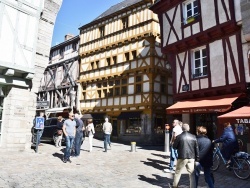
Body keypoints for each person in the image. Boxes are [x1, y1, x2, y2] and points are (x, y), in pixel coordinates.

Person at [170, 123, 199, 188]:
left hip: (182, 157)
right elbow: (196, 148)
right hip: (191, 157)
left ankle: (175, 186)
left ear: (182, 129)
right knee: (192, 174)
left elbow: (174, 147)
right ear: (188, 128)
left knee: (178, 172)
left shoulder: (179, 136)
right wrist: (197, 158)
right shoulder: (193, 136)